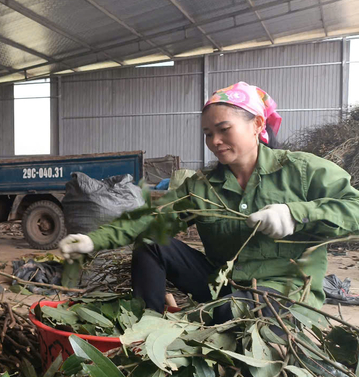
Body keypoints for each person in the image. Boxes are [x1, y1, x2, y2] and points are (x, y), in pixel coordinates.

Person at [59, 82, 359, 322]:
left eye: (224, 130)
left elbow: (354, 209)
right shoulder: (203, 186)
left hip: (282, 294)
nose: (214, 141)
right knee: (151, 243)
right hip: (223, 286)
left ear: (256, 124)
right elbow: (151, 218)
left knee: (234, 311)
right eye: (207, 134)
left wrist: (297, 213)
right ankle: (143, 327)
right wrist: (93, 240)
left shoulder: (303, 171)